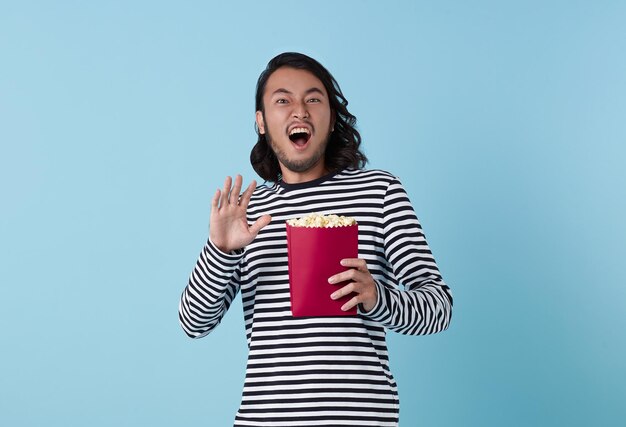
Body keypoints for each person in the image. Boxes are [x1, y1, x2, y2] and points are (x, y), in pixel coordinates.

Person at [179, 52, 453, 427]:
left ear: (331, 117)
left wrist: (377, 297)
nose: (300, 111)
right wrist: (222, 251)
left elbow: (438, 307)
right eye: (282, 100)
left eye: (313, 99)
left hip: (359, 418)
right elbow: (194, 323)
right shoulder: (246, 211)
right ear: (261, 122)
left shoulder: (379, 192)